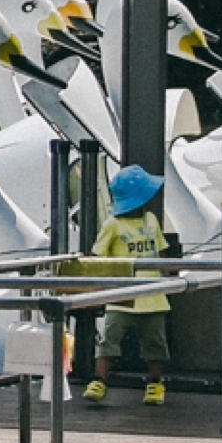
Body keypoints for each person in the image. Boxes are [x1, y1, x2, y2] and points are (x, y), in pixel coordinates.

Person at [82, 164, 171, 405]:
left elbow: (161, 251)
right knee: (110, 337)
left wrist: (168, 272)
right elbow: (99, 257)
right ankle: (100, 379)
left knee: (155, 342)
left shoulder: (152, 220)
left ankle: (155, 382)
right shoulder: (113, 225)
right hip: (122, 295)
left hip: (153, 293)